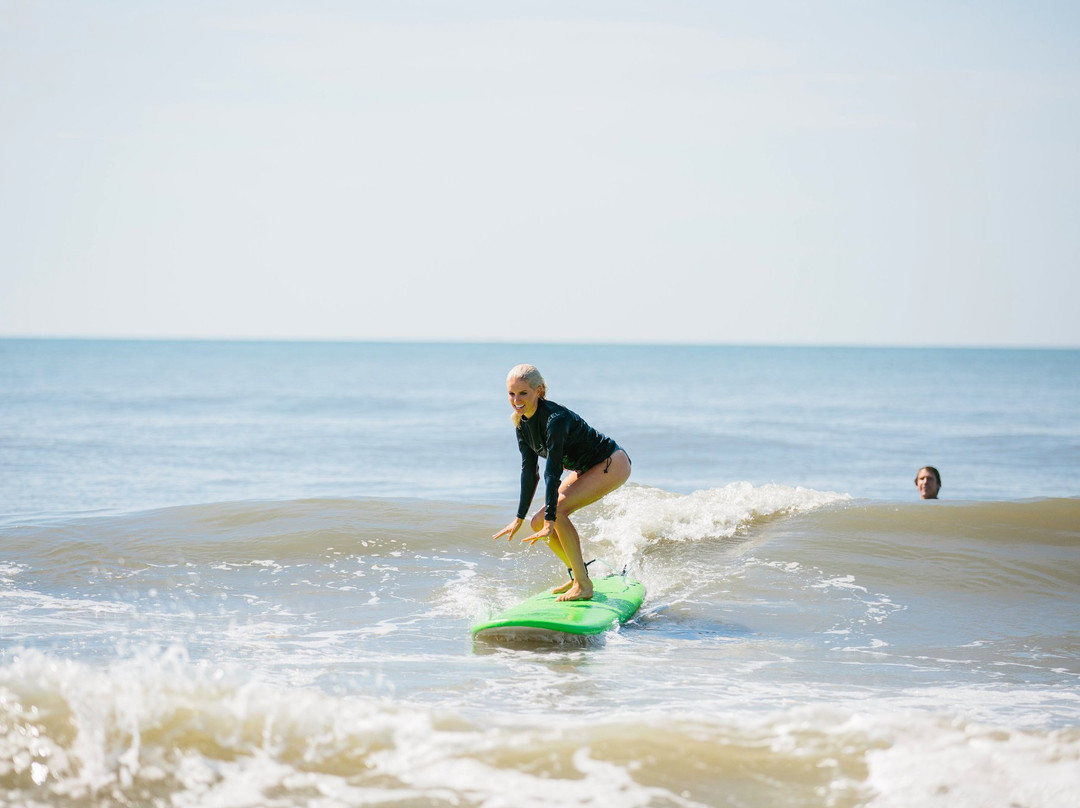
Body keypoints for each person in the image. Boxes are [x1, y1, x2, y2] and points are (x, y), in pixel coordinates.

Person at [492, 364, 631, 601]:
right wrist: (520, 517)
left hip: (611, 463)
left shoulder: (555, 419)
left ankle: (584, 585)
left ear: (539, 390)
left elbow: (552, 470)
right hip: (584, 468)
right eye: (511, 393)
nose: (516, 399)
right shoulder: (521, 422)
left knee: (556, 514)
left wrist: (551, 519)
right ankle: (579, 575)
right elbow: (529, 470)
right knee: (537, 523)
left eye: (523, 393)